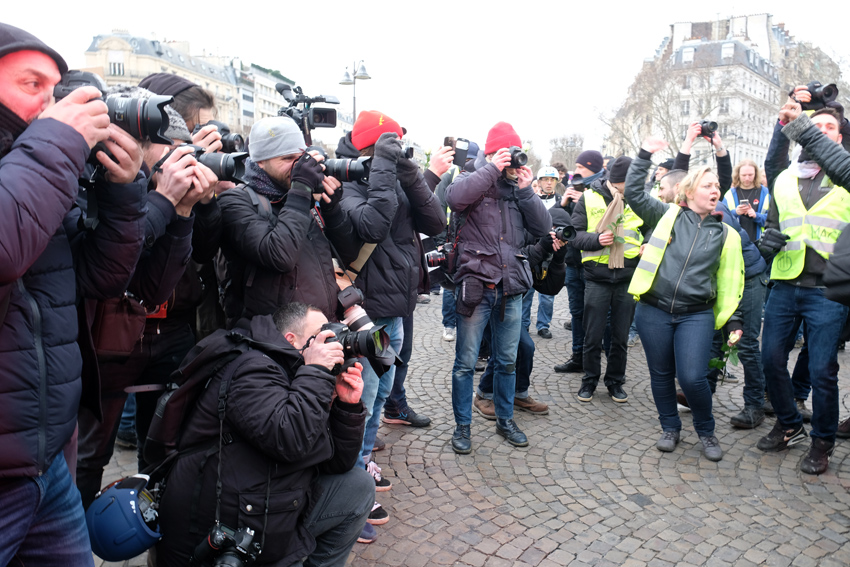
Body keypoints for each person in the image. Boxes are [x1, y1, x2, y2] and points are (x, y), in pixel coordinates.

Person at [0, 23, 147, 565]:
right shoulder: (39, 160)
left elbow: (99, 280)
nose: (52, 102)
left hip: (46, 462)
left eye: (55, 87)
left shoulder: (37, 170)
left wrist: (123, 192)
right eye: (31, 83)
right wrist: (56, 142)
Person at [75, 87, 217, 508]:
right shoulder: (94, 183)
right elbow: (115, 268)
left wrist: (185, 211)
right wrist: (162, 200)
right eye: (172, 149)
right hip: (97, 343)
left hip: (159, 328)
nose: (182, 158)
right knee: (88, 456)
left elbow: (152, 289)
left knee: (164, 442)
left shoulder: (159, 189)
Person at [155, 303, 374, 567]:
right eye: (322, 334)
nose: (332, 343)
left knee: (357, 485)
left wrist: (346, 406)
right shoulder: (251, 369)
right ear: (291, 340)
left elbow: (337, 463)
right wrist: (315, 372)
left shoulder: (300, 375)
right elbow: (290, 440)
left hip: (267, 499)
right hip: (224, 527)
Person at [338, 110, 445, 521]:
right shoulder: (346, 181)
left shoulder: (394, 179)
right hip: (366, 314)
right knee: (359, 400)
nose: (395, 152)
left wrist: (411, 173)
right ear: (369, 148)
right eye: (389, 145)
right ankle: (351, 490)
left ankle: (363, 462)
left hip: (394, 313)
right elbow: (372, 226)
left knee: (380, 394)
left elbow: (436, 221)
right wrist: (383, 166)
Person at [626, 137, 744, 463]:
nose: (715, 189)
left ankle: (706, 431)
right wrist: (645, 154)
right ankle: (670, 428)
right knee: (661, 374)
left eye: (717, 185)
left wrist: (735, 320)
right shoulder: (667, 215)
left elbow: (732, 281)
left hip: (697, 314)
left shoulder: (727, 233)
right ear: (690, 192)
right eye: (707, 185)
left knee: (693, 376)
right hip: (654, 309)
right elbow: (634, 193)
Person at [755, 88, 850, 474]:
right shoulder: (783, 179)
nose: (820, 130)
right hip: (786, 282)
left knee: (823, 369)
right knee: (771, 360)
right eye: (816, 124)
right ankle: (790, 424)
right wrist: (768, 242)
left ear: (840, 138)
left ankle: (822, 441)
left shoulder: (845, 177)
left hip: (828, 290)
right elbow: (775, 224)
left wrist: (805, 119)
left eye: (830, 127)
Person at [446, 121, 552, 454]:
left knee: (507, 360)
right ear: (492, 153)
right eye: (506, 154)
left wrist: (526, 189)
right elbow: (454, 198)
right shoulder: (470, 179)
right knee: (465, 363)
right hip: (476, 285)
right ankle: (463, 426)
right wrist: (491, 168)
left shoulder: (518, 190)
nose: (512, 162)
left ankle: (505, 419)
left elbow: (543, 227)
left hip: (511, 287)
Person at [219, 116, 359, 324]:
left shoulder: (301, 196)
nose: (297, 167)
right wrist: (300, 189)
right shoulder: (235, 201)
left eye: (300, 158)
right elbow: (280, 256)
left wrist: (332, 210)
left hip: (322, 326)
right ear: (260, 161)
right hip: (274, 337)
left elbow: (348, 255)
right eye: (286, 159)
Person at [569, 155, 641, 403]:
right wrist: (596, 240)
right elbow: (574, 236)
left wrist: (650, 245)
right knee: (593, 334)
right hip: (597, 276)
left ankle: (615, 382)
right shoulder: (589, 197)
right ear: (618, 180)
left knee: (620, 337)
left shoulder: (641, 201)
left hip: (627, 277)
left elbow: (654, 230)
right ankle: (589, 381)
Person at [553, 151, 605, 374]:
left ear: (593, 168)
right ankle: (578, 357)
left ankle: (600, 361)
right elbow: (558, 223)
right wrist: (564, 204)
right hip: (573, 262)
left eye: (581, 167)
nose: (577, 171)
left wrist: (584, 202)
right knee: (576, 313)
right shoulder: (574, 187)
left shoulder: (603, 189)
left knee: (599, 315)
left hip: (594, 263)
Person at [529, 165, 560, 339]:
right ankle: (523, 323)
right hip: (534, 249)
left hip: (551, 252)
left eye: (552, 180)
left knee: (547, 295)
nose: (549, 183)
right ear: (539, 182)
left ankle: (543, 324)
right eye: (545, 180)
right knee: (526, 290)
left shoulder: (561, 200)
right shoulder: (531, 200)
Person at [724, 159, 770, 243]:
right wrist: (735, 212)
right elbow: (722, 219)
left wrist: (756, 216)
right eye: (744, 175)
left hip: (760, 243)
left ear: (756, 174)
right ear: (738, 175)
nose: (747, 178)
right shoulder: (729, 194)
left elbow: (773, 220)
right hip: (735, 243)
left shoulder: (766, 193)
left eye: (750, 175)